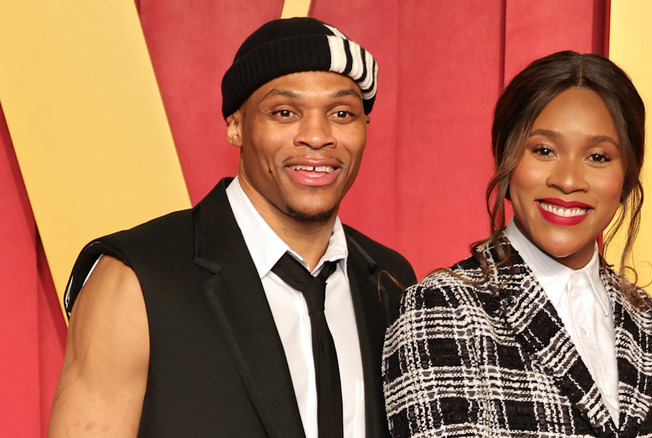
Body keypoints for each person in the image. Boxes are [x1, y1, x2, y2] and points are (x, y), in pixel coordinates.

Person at [49, 17, 416, 438]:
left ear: (365, 128)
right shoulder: (136, 279)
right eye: (284, 112)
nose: (317, 136)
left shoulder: (391, 283)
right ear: (236, 125)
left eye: (341, 113)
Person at [383, 51, 652, 438]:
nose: (568, 179)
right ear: (506, 159)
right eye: (544, 150)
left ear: (626, 177)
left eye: (598, 156)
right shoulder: (441, 309)